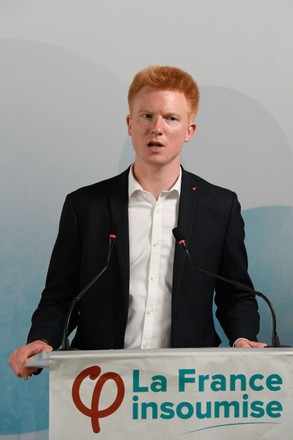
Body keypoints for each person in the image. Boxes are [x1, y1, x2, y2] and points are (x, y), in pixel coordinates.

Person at [9, 65, 266, 380]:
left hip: (188, 382)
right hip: (98, 379)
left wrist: (242, 338)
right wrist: (42, 339)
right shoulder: (85, 206)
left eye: (171, 118)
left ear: (189, 130)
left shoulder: (220, 206)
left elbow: (235, 294)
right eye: (146, 116)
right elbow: (61, 295)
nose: (157, 128)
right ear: (130, 125)